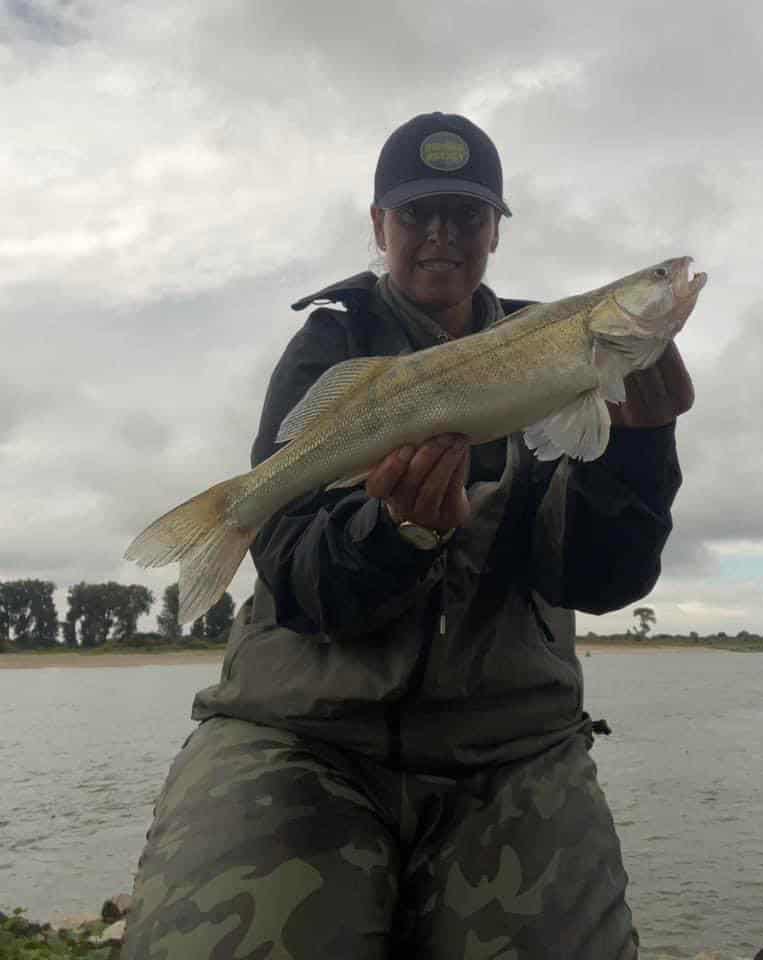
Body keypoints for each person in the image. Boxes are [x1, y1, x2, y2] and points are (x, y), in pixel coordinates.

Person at [122, 112, 695, 959]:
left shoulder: (565, 356)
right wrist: (394, 533)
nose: (440, 235)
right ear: (378, 225)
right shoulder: (331, 346)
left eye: (466, 215)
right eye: (416, 213)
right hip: (303, 735)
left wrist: (641, 449)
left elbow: (596, 578)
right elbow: (296, 575)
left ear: (496, 229)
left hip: (510, 744)